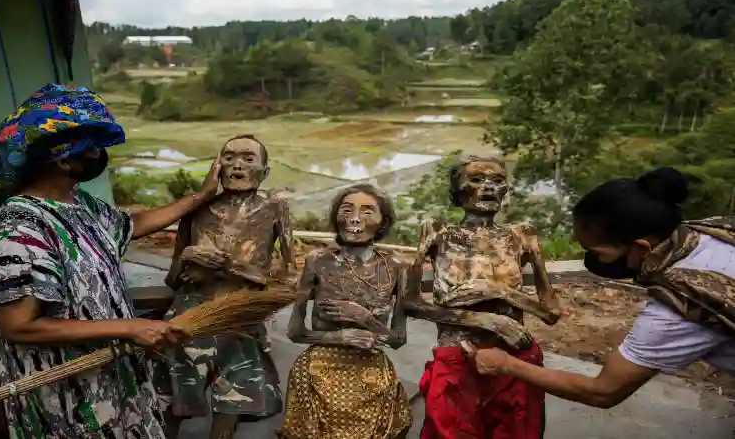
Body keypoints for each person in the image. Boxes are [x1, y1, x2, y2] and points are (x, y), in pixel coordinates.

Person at [0, 84, 222, 439]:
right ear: (62, 157)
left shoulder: (81, 205)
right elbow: (20, 326)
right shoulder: (21, 226)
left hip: (110, 380)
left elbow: (132, 225)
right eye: (92, 146)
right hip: (69, 398)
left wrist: (200, 196)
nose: (98, 154)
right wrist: (130, 327)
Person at [463, 167, 735, 409]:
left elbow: (603, 392)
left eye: (598, 252)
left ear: (641, 247)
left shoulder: (683, 307)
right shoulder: (715, 229)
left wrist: (507, 365)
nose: (595, 261)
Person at [404, 155, 560, 439]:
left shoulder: (522, 235)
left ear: (505, 190)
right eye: (477, 179)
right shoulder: (439, 233)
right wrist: (487, 319)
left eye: (497, 181)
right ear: (457, 189)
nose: (488, 187)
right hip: (457, 357)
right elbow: (411, 304)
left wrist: (498, 291)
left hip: (515, 358)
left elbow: (551, 312)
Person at [157, 135, 295, 439]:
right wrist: (188, 257)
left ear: (265, 171)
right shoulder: (197, 209)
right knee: (175, 396)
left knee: (232, 401)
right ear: (217, 166)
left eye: (248, 159)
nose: (237, 166)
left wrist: (229, 266)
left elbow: (288, 277)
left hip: (239, 317)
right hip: (190, 317)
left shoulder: (274, 210)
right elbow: (172, 278)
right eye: (229, 157)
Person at [282, 183, 412, 439]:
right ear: (336, 217)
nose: (354, 217)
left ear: (383, 222)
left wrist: (365, 320)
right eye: (347, 209)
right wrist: (337, 337)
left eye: (367, 211)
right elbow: (295, 332)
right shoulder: (317, 261)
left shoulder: (396, 267)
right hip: (317, 376)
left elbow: (398, 340)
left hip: (371, 379)